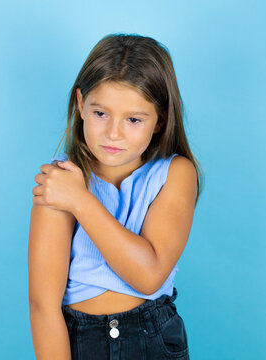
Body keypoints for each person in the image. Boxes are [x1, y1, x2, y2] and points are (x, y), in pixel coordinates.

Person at [28, 33, 204, 360]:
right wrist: (72, 193)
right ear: (81, 105)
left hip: (153, 339)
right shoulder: (60, 182)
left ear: (160, 120)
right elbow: (42, 307)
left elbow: (149, 274)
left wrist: (81, 201)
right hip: (80, 342)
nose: (113, 133)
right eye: (100, 113)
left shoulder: (176, 173)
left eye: (134, 119)